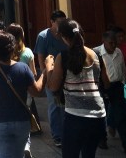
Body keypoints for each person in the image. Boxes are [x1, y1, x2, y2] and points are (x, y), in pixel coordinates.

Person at [0, 32, 45, 158]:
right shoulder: (23, 68)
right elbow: (36, 91)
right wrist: (45, 72)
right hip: (21, 121)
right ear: (12, 49)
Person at [45, 19, 106, 157]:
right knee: (89, 154)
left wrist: (49, 66)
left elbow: (53, 86)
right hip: (98, 115)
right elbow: (106, 83)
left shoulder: (63, 56)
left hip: (75, 116)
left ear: (64, 37)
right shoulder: (96, 55)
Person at [93, 30, 126, 154]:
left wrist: (123, 83)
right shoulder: (95, 53)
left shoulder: (118, 51)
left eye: (115, 42)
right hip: (101, 86)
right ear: (103, 41)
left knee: (122, 116)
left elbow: (122, 68)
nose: (114, 45)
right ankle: (101, 139)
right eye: (111, 43)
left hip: (117, 86)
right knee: (100, 114)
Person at [34, 9, 67, 147]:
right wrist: (45, 76)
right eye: (59, 22)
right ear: (52, 22)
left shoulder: (66, 33)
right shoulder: (43, 36)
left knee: (66, 105)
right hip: (51, 74)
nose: (61, 25)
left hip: (67, 74)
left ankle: (67, 132)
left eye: (63, 22)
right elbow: (41, 57)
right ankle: (57, 135)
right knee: (54, 105)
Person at [7, 23, 38, 157]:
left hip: (9, 91)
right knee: (25, 117)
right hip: (25, 91)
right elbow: (34, 73)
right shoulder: (28, 52)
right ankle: (25, 144)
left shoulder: (6, 52)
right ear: (22, 35)